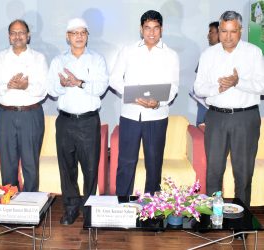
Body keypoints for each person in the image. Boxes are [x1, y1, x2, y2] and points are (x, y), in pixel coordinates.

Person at [194, 11, 264, 207]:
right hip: (216, 118)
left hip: (245, 117)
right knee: (214, 172)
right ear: (219, 30)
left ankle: (240, 221)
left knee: (243, 173)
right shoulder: (208, 54)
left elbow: (262, 86)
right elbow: (198, 88)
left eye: (233, 31)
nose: (228, 36)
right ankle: (214, 218)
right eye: (223, 31)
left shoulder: (254, 52)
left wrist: (237, 82)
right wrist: (218, 87)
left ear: (240, 30)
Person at [110, 10, 179, 196]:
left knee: (154, 164)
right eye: (147, 28)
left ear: (161, 30)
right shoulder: (128, 50)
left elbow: (173, 87)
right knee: (126, 163)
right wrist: (132, 94)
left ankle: (152, 211)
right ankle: (122, 205)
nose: (151, 32)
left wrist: (157, 102)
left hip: (157, 116)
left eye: (156, 28)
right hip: (131, 115)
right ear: (141, 29)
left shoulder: (171, 55)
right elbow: (114, 79)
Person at [47, 18, 108, 225]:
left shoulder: (97, 59)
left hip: (89, 122)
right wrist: (63, 84)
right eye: (74, 33)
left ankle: (89, 211)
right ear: (67, 37)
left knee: (90, 168)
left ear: (87, 36)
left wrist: (79, 82)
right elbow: (51, 90)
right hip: (65, 122)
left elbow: (101, 87)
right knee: (67, 168)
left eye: (83, 32)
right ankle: (71, 209)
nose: (79, 36)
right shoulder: (58, 61)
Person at [0, 19, 48, 192]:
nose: (17, 36)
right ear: (9, 36)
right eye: (13, 33)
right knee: (8, 163)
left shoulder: (38, 58)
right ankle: (10, 203)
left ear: (28, 36)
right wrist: (7, 85)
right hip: (6, 115)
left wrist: (26, 86)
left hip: (31, 115)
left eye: (21, 32)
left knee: (30, 164)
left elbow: (44, 89)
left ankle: (31, 204)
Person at [194, 21, 220, 126]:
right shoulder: (206, 54)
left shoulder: (228, 55)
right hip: (203, 102)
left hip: (216, 106)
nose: (208, 35)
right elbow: (199, 79)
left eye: (211, 32)